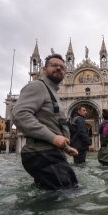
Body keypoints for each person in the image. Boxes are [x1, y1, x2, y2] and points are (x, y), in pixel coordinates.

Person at [11, 53, 79, 190]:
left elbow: (52, 124)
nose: (58, 68)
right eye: (54, 65)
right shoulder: (37, 86)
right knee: (67, 195)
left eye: (62, 67)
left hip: (49, 154)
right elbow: (19, 114)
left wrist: (65, 147)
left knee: (55, 196)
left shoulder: (52, 92)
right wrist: (53, 138)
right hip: (43, 154)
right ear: (43, 69)